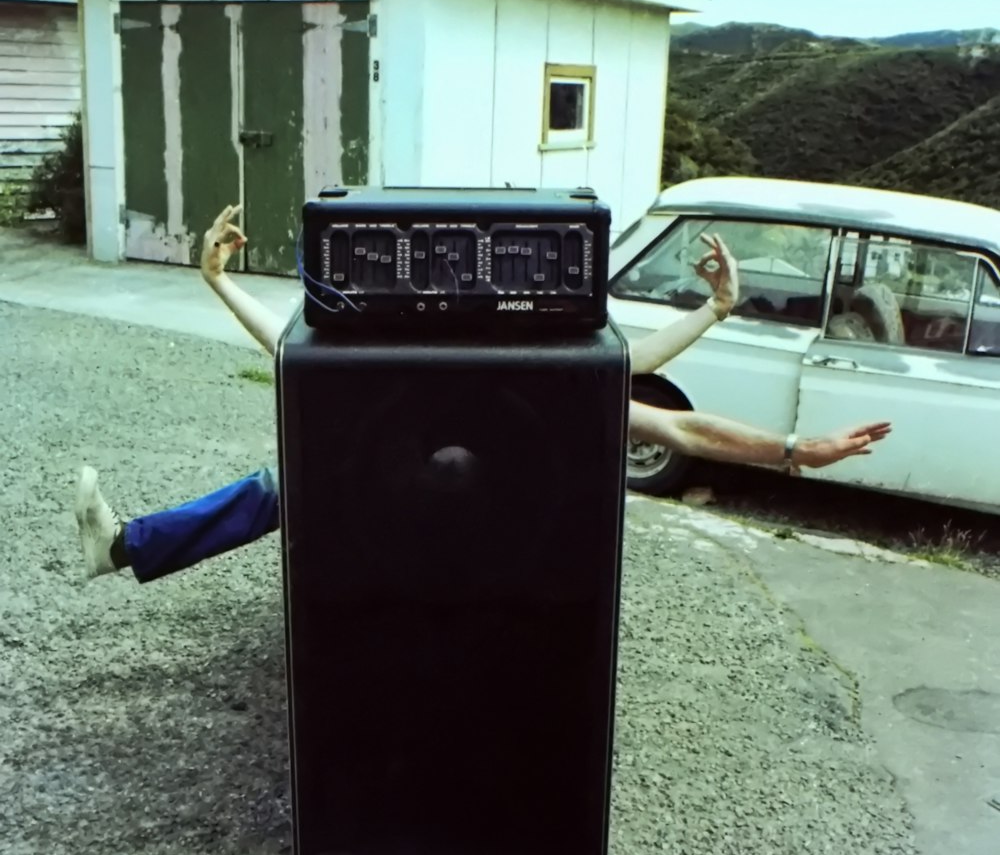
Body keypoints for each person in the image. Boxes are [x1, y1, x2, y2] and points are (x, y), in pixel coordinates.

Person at [74, 205, 891, 583]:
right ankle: (125, 547)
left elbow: (681, 427)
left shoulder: (543, 380)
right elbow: (295, 354)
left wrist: (794, 448)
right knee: (282, 488)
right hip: (399, 533)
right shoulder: (417, 367)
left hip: (509, 555)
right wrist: (218, 283)